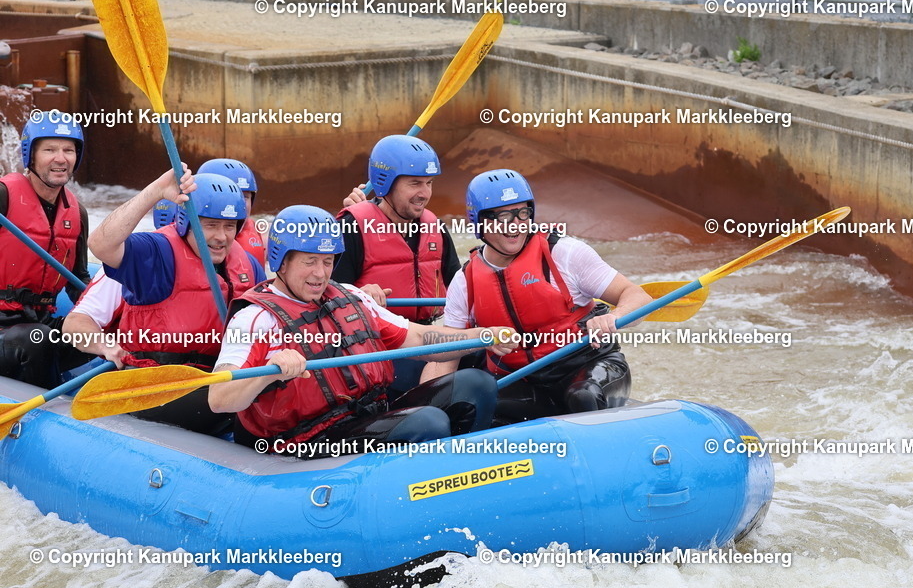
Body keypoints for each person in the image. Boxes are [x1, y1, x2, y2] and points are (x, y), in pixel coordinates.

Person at [208, 205, 512, 456]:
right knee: (427, 422)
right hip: (306, 441)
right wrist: (270, 372)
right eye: (310, 261)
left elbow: (421, 338)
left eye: (327, 262)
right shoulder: (254, 319)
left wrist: (483, 336)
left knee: (476, 384)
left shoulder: (353, 297)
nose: (320, 273)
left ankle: (461, 479)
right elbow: (219, 398)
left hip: (364, 418)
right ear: (281, 263)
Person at [423, 169, 653, 424]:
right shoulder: (465, 282)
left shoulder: (564, 253)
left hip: (587, 368)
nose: (516, 225)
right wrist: (422, 409)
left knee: (583, 398)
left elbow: (638, 296)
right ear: (479, 222)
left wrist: (615, 316)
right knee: (469, 409)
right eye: (503, 217)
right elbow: (445, 357)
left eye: (522, 214)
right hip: (523, 381)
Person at [89, 169, 265, 433]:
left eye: (230, 226)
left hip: (210, 379)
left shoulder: (248, 265)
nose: (222, 237)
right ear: (186, 222)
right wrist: (157, 190)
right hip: (150, 384)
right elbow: (100, 244)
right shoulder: (157, 252)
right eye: (211, 225)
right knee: (232, 406)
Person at [332, 135, 463, 393]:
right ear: (385, 184)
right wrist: (356, 295)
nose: (424, 194)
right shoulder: (351, 227)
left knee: (482, 360)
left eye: (429, 183)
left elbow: (462, 289)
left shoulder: (435, 227)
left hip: (427, 335)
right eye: (415, 183)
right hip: (378, 343)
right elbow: (324, 298)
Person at [0, 110, 91, 388]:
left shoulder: (78, 213)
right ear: (31, 155)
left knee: (113, 331)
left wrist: (117, 312)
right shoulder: (3, 196)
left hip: (41, 322)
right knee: (35, 339)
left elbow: (79, 281)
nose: (60, 158)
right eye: (49, 149)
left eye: (68, 150)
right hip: (8, 331)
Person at [154, 158, 266, 266]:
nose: (238, 203)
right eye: (211, 225)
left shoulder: (259, 234)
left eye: (245, 197)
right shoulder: (167, 237)